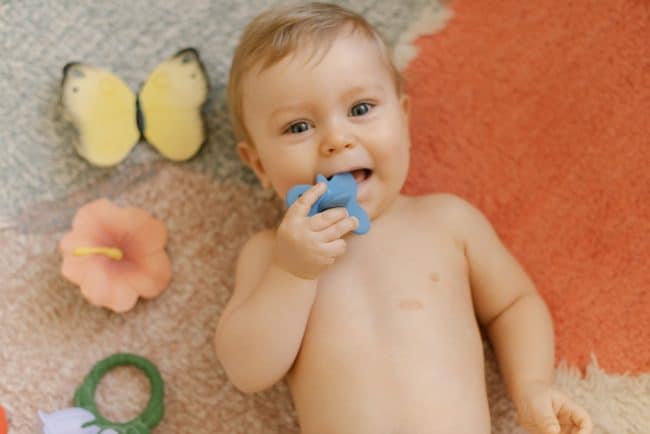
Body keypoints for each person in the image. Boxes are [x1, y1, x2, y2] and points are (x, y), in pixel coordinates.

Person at [215, 3, 593, 433]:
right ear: (259, 165)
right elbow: (246, 371)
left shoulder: (448, 222)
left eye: (360, 109)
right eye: (298, 127)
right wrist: (292, 273)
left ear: (404, 117)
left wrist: (531, 385)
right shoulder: (272, 255)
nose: (337, 139)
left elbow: (514, 304)